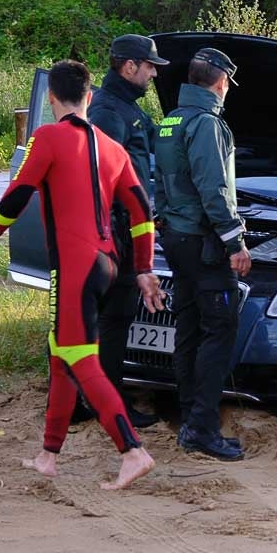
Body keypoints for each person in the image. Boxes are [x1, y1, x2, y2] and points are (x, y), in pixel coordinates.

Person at [0, 59, 163, 490]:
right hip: (109, 265)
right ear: (89, 97)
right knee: (61, 354)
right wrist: (143, 268)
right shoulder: (114, 148)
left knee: (79, 357)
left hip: (75, 267)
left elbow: (17, 195)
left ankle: (132, 451)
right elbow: (143, 213)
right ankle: (48, 456)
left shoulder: (47, 137)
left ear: (51, 98)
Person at [153, 48, 251, 461]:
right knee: (220, 328)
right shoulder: (208, 124)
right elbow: (214, 190)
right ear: (221, 82)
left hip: (175, 238)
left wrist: (164, 224)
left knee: (190, 327)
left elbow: (159, 181)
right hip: (204, 242)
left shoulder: (170, 121)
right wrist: (236, 243)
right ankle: (203, 427)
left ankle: (190, 418)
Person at [86, 34, 168, 428]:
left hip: (124, 226)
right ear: (129, 66)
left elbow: (154, 147)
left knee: (114, 319)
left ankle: (102, 400)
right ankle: (105, 404)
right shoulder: (108, 111)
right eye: (150, 65)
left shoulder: (127, 107)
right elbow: (101, 177)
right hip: (114, 230)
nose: (154, 73)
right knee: (111, 320)